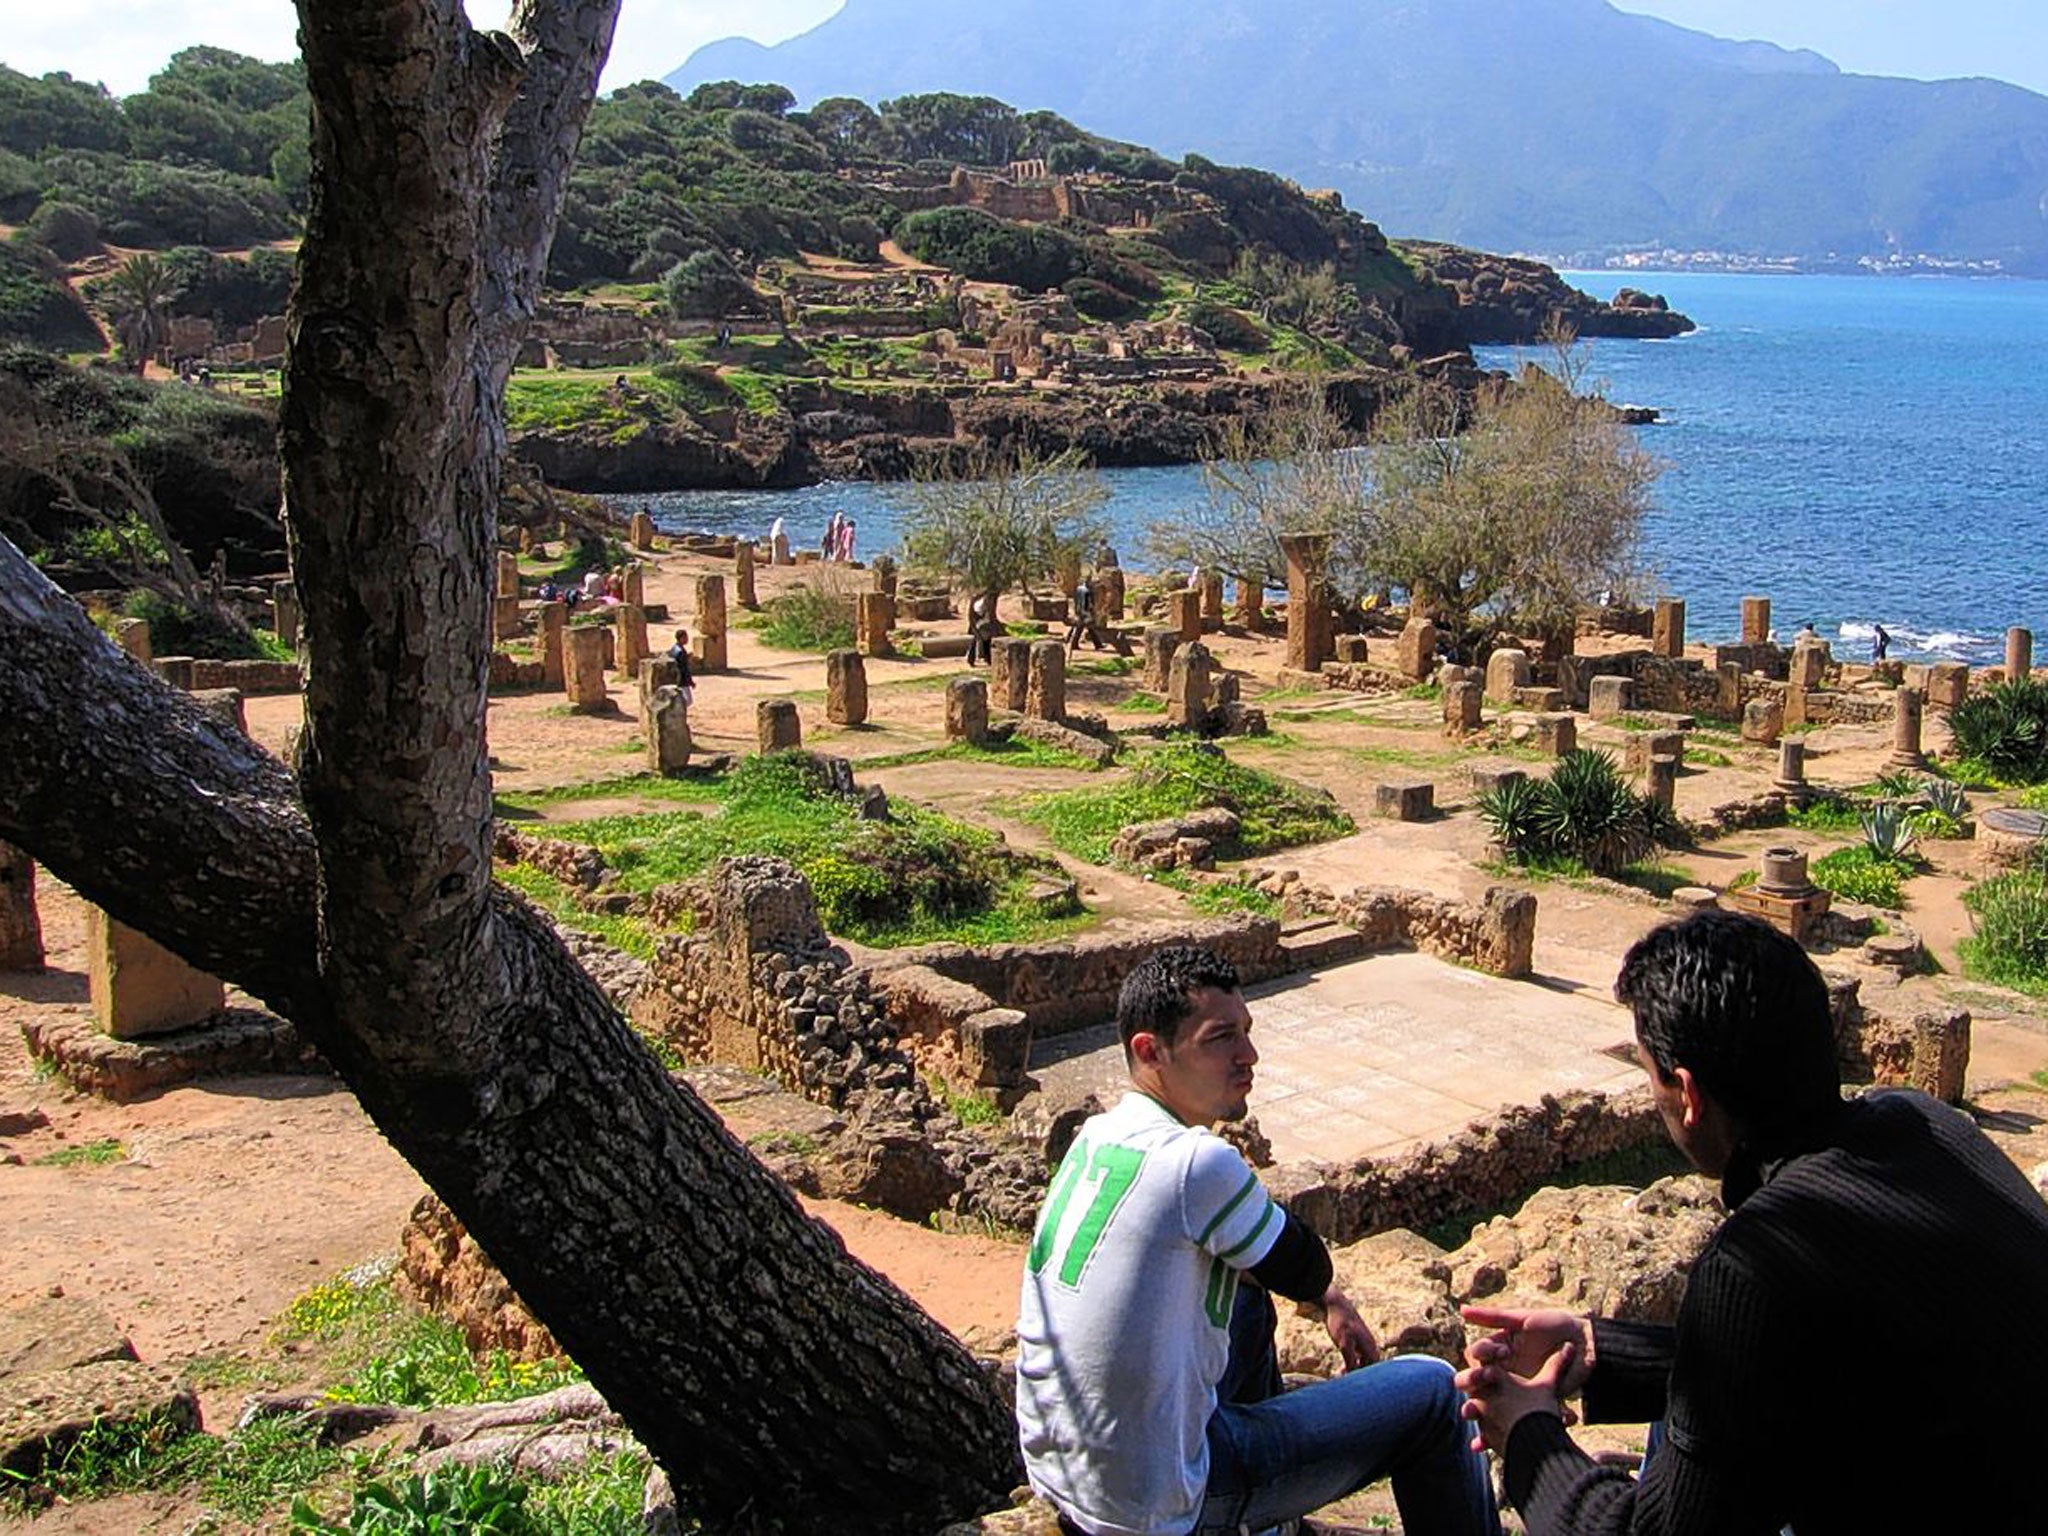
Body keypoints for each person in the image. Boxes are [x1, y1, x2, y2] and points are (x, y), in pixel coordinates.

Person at [1455, 909, 2048, 1535]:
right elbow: (1828, 1365)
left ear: (1688, 1096)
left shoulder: (1760, 1258)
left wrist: (1527, 1434)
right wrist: (1602, 1353)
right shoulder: (1928, 1124)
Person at [1017, 945, 1499, 1536]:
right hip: (1161, 1504)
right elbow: (1302, 1263)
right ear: (1151, 1051)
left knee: (1246, 1303)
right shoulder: (1194, 1162)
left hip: (1068, 1479)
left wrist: (1326, 1299)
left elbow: (1263, 1269)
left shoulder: (1098, 1136)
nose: (1250, 1056)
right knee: (1432, 1394)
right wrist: (1332, 1298)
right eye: (1222, 1038)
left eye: (1246, 1032)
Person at [1066, 575, 1101, 653]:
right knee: (1081, 628)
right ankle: (1072, 643)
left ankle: (1098, 644)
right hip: (1086, 612)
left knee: (1085, 628)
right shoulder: (1089, 591)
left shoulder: (1078, 588)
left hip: (1079, 610)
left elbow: (1075, 599)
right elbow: (1089, 603)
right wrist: (1091, 612)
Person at [666, 628, 695, 710]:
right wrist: (690, 681)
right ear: (681, 638)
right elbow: (684, 668)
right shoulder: (681, 652)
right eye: (685, 637)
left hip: (675, 678)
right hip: (682, 680)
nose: (687, 639)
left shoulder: (674, 648)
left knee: (682, 699)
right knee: (688, 701)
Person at [967, 590, 997, 668]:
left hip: (980, 624)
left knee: (980, 641)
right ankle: (987, 659)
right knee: (985, 641)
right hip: (982, 624)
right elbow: (979, 614)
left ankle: (976, 659)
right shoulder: (983, 602)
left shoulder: (978, 601)